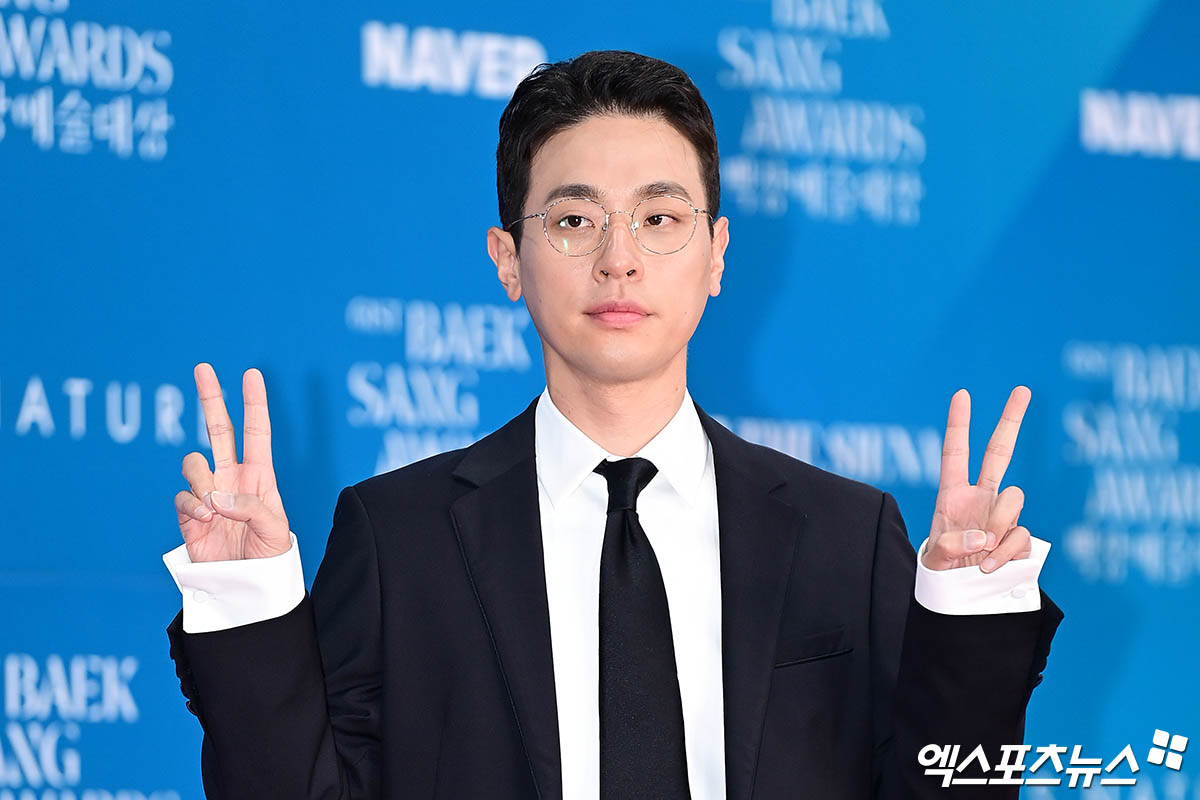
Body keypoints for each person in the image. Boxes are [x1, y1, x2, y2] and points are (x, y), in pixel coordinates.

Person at [163, 50, 1062, 799]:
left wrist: (965, 614)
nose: (619, 258)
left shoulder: (845, 536)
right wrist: (247, 603)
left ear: (716, 254)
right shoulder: (400, 538)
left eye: (660, 218)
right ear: (509, 259)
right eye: (574, 219)